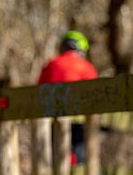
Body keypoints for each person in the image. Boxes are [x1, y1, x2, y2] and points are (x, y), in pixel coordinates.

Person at [37, 30, 98, 165]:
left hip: (54, 121)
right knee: (78, 159)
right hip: (80, 124)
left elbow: (39, 91)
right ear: (80, 49)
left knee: (56, 159)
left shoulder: (51, 64)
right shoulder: (87, 68)